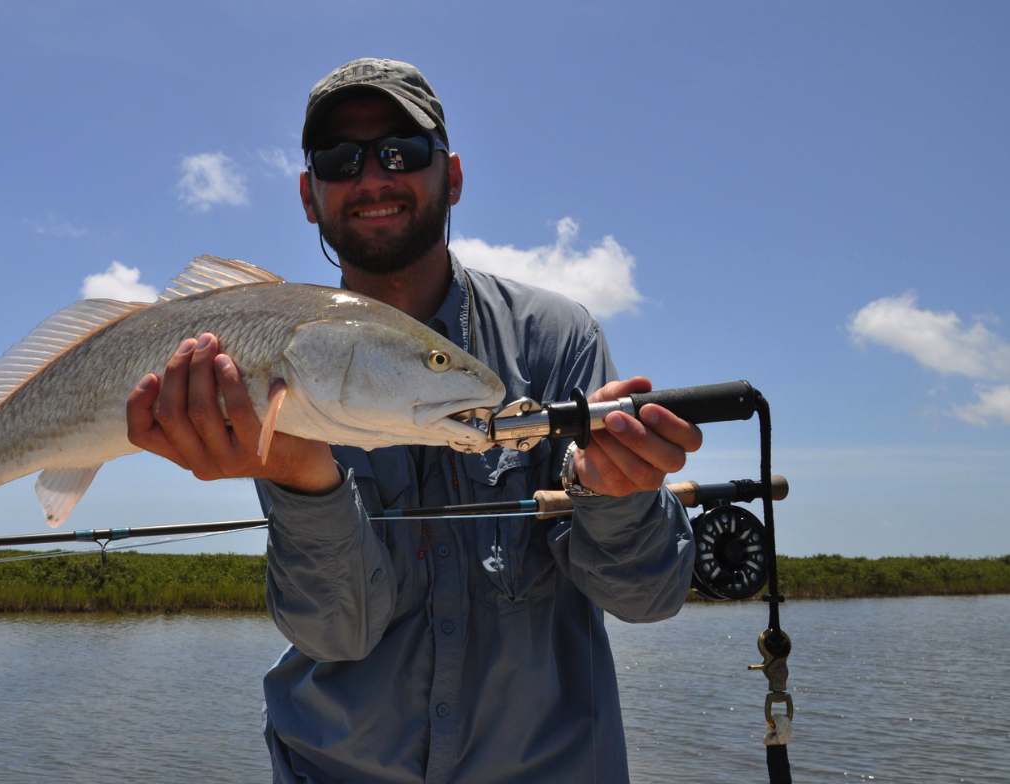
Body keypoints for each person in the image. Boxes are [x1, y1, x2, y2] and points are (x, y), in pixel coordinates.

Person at [125, 58, 701, 784]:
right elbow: (337, 629)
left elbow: (647, 596)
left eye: (403, 151)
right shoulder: (275, 356)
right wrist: (303, 479)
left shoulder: (556, 338)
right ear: (310, 195)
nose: (371, 177)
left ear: (452, 175)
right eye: (340, 159)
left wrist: (618, 497)